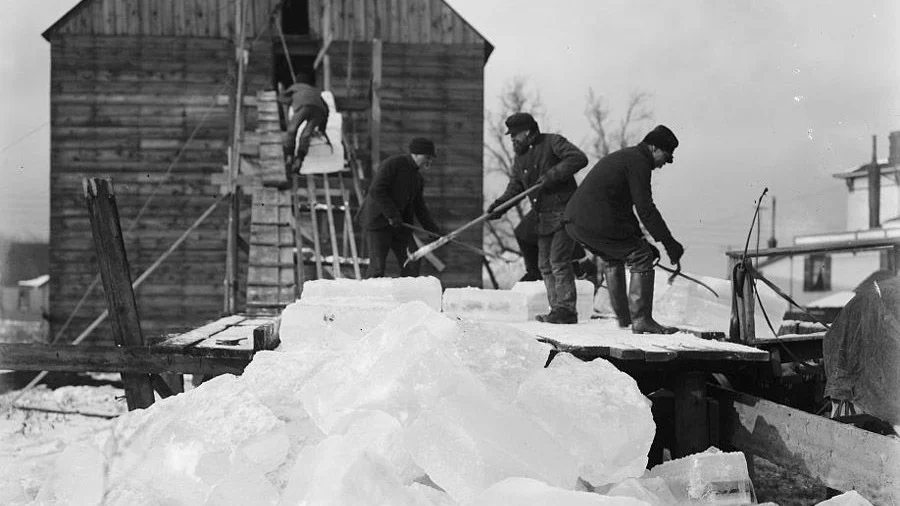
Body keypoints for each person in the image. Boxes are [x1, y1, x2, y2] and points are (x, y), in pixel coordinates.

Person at [564, 124, 685, 334]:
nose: (664, 164)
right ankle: (642, 320)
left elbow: (624, 209)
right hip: (594, 221)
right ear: (654, 148)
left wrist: (642, 239)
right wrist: (669, 243)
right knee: (641, 256)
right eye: (666, 157)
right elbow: (645, 209)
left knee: (615, 256)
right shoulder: (639, 162)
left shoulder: (627, 158)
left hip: (575, 222)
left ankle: (624, 319)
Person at [487, 112, 588, 324]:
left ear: (528, 131)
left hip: (564, 211)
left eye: (515, 134)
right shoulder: (520, 158)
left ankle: (567, 310)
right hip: (543, 216)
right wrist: (499, 207)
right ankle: (556, 310)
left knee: (559, 261)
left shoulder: (553, 142)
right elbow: (516, 187)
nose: (512, 138)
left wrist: (553, 175)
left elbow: (579, 158)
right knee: (544, 264)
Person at [358, 137, 441, 278]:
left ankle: (407, 296)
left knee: (413, 260)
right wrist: (392, 214)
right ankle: (369, 298)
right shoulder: (393, 164)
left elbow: (419, 207)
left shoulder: (417, 178)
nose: (429, 161)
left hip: (399, 225)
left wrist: (433, 230)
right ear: (415, 154)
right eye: (427, 157)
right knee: (377, 267)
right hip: (378, 222)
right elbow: (376, 190)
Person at [515, 208, 597, 286]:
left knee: (543, 272)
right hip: (529, 236)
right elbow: (568, 241)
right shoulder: (570, 213)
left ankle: (516, 293)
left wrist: (579, 265)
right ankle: (515, 294)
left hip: (535, 232)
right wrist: (582, 260)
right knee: (538, 274)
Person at [278, 78, 329, 176]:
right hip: (319, 110)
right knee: (306, 135)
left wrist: (281, 96)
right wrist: (322, 128)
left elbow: (282, 98)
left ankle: (289, 157)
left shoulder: (295, 87)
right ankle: (299, 160)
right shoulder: (315, 91)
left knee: (292, 129)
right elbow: (326, 109)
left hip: (303, 106)